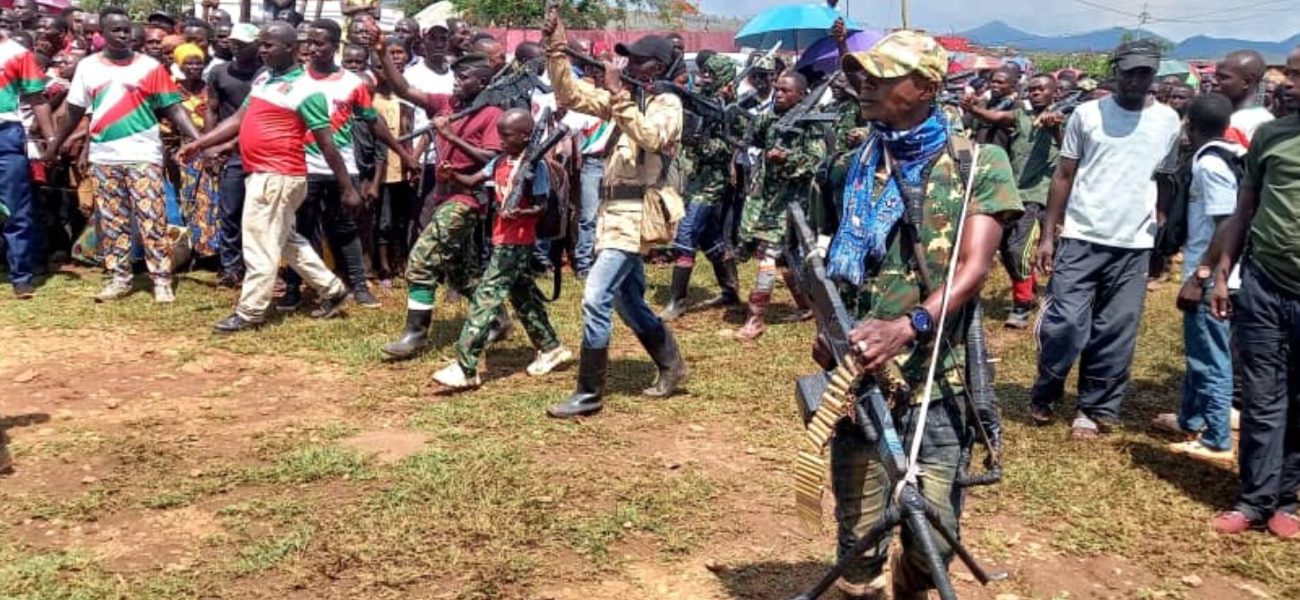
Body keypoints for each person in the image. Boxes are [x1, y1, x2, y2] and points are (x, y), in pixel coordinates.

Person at [828, 31, 1022, 600]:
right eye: (863, 73)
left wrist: (907, 326)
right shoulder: (852, 165)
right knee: (859, 531)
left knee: (932, 534)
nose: (865, 84)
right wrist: (828, 326)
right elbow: (822, 256)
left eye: (883, 75)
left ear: (925, 88)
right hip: (859, 378)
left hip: (939, 377)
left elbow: (975, 265)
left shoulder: (977, 164)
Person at [1029, 40, 1182, 438]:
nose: (1136, 79)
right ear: (1116, 70)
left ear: (1154, 75)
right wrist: (1049, 233)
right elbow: (1064, 175)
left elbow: (1165, 177)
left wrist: (1160, 222)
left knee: (1116, 330)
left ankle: (1093, 407)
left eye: (1145, 73)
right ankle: (1047, 387)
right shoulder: (1087, 114)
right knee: (1065, 324)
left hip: (1133, 243)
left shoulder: (1167, 120)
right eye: (1129, 71)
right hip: (1081, 235)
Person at [542, 7, 689, 418]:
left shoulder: (667, 103)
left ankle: (589, 393)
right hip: (613, 211)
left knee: (594, 297)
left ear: (655, 66)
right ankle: (671, 364)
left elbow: (653, 136)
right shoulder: (629, 99)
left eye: (635, 59)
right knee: (627, 301)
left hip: (635, 214)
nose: (625, 64)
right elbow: (569, 95)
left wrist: (619, 94)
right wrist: (557, 47)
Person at [178, 21, 358, 333]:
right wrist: (202, 143)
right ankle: (332, 289)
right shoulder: (264, 78)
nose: (262, 50)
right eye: (260, 44)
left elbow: (327, 142)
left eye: (269, 45)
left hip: (278, 175)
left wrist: (346, 187)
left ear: (290, 48)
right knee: (286, 240)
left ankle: (250, 311)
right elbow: (238, 119)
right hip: (261, 172)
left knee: (259, 241)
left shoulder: (307, 90)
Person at [43, 7, 202, 304]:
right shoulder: (88, 67)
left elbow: (173, 107)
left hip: (143, 154)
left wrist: (198, 140)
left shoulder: (149, 68)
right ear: (102, 34)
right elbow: (75, 110)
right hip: (104, 157)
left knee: (152, 218)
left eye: (126, 30)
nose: (123, 35)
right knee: (113, 220)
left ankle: (161, 279)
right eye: (116, 30)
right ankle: (119, 277)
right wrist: (54, 144)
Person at [1205, 46, 1300, 540]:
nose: (1291, 84)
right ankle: (1255, 499)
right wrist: (1223, 272)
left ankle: (1288, 498)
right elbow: (1246, 207)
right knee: (1263, 394)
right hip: (1265, 281)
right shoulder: (1271, 136)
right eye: (1292, 74)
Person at [374, 39, 508, 360]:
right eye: (456, 79)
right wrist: (381, 51)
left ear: (483, 82)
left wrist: (449, 136)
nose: (457, 84)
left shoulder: (492, 113)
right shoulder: (447, 104)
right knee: (461, 274)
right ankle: (499, 317)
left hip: (468, 198)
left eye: (464, 79)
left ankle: (415, 334)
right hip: (443, 194)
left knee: (421, 262)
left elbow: (490, 157)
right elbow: (404, 89)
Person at [431, 108, 574, 389]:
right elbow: (473, 182)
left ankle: (465, 366)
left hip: (517, 241)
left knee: (487, 296)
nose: (502, 140)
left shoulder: (536, 166)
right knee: (522, 294)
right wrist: (452, 176)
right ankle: (551, 346)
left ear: (525, 136)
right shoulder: (500, 160)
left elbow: (542, 206)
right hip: (501, 237)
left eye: (507, 136)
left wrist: (520, 214)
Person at [280, 19, 414, 311]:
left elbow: (372, 121)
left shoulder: (353, 83)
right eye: (310, 43)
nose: (313, 49)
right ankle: (292, 289)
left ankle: (359, 287)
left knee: (346, 229)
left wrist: (402, 154)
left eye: (320, 43)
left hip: (343, 169)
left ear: (335, 45)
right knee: (299, 230)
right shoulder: (294, 79)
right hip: (302, 167)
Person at [1149, 92, 1241, 464]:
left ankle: (1217, 439)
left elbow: (1226, 222)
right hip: (1222, 274)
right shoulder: (1230, 153)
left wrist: (1202, 274)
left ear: (1189, 125)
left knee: (1212, 358)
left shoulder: (1210, 165)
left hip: (1212, 279)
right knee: (1199, 351)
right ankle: (1191, 419)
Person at [734, 70, 824, 341]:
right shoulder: (770, 116)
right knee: (785, 256)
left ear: (801, 95)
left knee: (769, 255)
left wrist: (786, 159)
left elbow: (816, 161)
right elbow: (752, 137)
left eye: (786, 91)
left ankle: (756, 317)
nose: (779, 94)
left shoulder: (812, 122)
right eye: (778, 89)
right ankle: (806, 305)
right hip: (768, 198)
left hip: (794, 201)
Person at [658, 53, 742, 320]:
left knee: (686, 236)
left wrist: (699, 141)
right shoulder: (700, 99)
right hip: (694, 178)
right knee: (710, 238)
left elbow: (730, 145)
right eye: (703, 73)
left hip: (712, 183)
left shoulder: (732, 110)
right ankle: (730, 291)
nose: (704, 78)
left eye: (710, 75)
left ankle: (677, 302)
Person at [1001, 74, 1063, 329]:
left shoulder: (1063, 119)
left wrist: (1055, 127)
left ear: (1054, 93)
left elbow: (1069, 149)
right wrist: (972, 107)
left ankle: (1022, 305)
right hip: (1012, 193)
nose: (1035, 93)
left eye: (1041, 89)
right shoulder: (1020, 115)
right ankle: (1030, 289)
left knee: (1018, 249)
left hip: (1039, 196)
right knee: (1006, 249)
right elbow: (995, 118)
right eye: (1031, 89)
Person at [0, 27, 55, 299]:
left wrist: (52, 138)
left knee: (15, 209)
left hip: (6, 135)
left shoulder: (18, 54)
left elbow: (37, 97)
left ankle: (21, 277)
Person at [205, 22, 260, 289]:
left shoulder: (266, 73)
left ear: (257, 45)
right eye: (234, 42)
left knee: (260, 213)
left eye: (243, 44)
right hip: (231, 152)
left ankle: (257, 268)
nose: (236, 47)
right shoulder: (218, 73)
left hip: (261, 150)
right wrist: (207, 147)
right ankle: (230, 268)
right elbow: (212, 110)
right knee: (230, 210)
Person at [173, 42, 220, 260]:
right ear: (179, 65)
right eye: (188, 63)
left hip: (211, 147)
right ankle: (189, 247)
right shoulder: (172, 89)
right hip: (185, 150)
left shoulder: (210, 87)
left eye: (198, 63)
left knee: (210, 199)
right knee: (188, 197)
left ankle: (209, 248)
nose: (194, 67)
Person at [1216, 50, 1272, 146]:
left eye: (1224, 77)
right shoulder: (1227, 117)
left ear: (1246, 82)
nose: (1215, 82)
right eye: (1216, 76)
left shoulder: (1258, 122)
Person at [962, 66, 1019, 154]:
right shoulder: (984, 103)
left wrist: (972, 108)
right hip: (979, 155)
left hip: (1002, 159)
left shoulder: (1017, 106)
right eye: (993, 82)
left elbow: (995, 117)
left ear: (1012, 86)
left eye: (1000, 83)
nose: (994, 85)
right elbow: (963, 123)